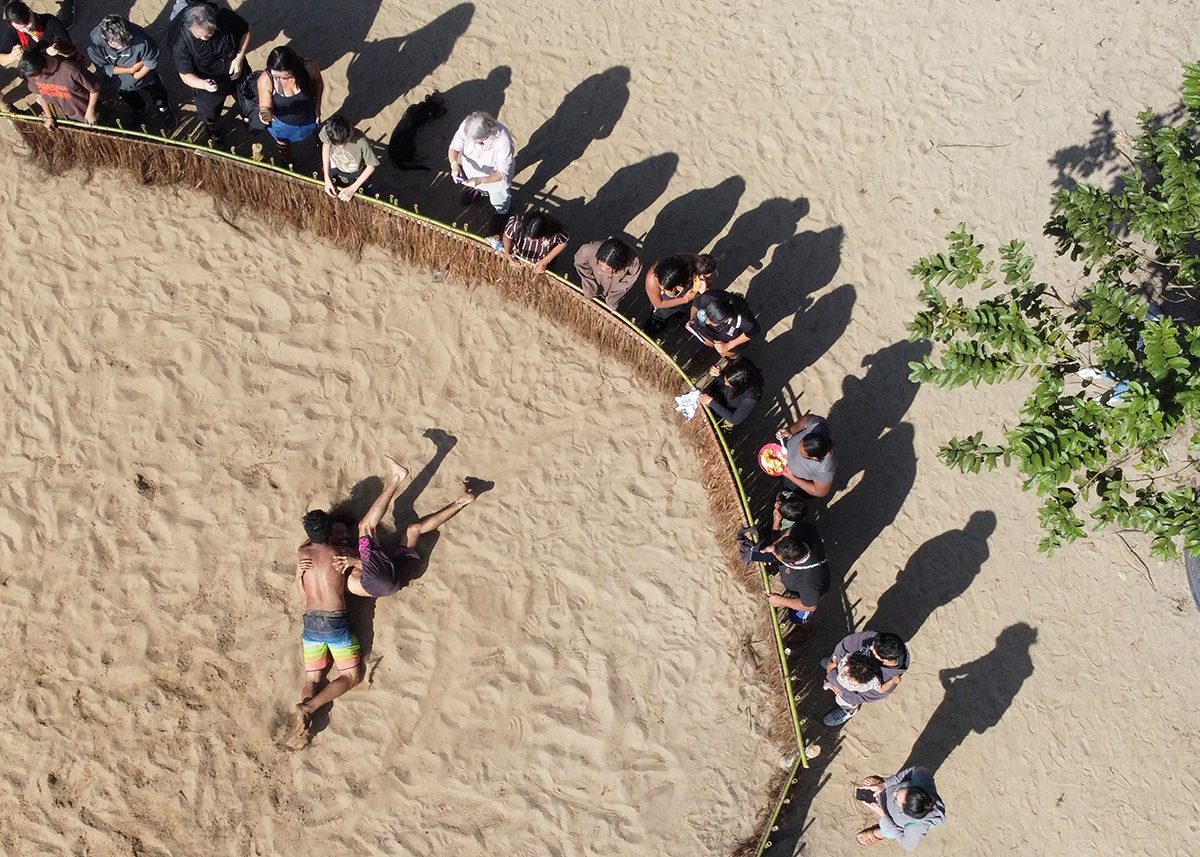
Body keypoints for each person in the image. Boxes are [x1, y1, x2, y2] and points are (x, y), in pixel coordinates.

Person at [334, 459, 479, 599]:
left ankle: (463, 500)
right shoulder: (341, 571)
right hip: (375, 582)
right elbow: (369, 569)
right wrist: (354, 561)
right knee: (365, 527)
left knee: (414, 530)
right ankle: (397, 476)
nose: (344, 535)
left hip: (395, 581)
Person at [285, 502, 366, 751]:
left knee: (313, 678)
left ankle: (302, 730)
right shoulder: (340, 554)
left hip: (311, 622)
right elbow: (370, 568)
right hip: (335, 622)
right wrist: (355, 559)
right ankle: (308, 708)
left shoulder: (302, 553)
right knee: (352, 676)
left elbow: (307, 546)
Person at [172, 1, 250, 144]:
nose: (203, 38)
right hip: (207, 83)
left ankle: (247, 115)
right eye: (199, 36)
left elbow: (245, 31)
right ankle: (213, 130)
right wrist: (203, 84)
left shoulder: (225, 17)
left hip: (237, 72)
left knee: (244, 97)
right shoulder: (182, 42)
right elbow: (185, 75)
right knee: (209, 113)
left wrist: (239, 57)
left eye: (207, 35)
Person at [86, 15, 175, 129]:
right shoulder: (94, 43)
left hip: (145, 76)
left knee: (157, 90)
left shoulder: (140, 37)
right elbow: (103, 67)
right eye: (117, 45)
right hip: (120, 82)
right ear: (104, 37)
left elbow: (151, 60)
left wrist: (138, 75)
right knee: (131, 99)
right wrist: (131, 70)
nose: (123, 46)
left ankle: (163, 107)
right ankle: (140, 109)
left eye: (125, 42)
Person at [749, 518, 830, 628]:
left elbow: (810, 606)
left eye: (777, 556)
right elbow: (789, 532)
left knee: (797, 618)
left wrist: (781, 601)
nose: (775, 554)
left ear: (790, 564)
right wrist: (775, 546)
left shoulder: (810, 582)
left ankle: (806, 626)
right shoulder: (804, 530)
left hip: (801, 594)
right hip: (796, 579)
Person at [821, 630, 910, 727]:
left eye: (874, 652)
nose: (870, 647)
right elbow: (845, 645)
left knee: (843, 700)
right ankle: (833, 665)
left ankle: (849, 710)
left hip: (847, 692)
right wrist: (836, 663)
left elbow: (858, 697)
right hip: (843, 669)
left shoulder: (886, 679)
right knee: (835, 659)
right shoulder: (871, 638)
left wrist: (833, 677)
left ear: (886, 660)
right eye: (873, 644)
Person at [448, 110, 515, 227]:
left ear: (488, 134)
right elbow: (454, 146)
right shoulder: (468, 127)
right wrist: (454, 164)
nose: (471, 142)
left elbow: (502, 173)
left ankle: (502, 212)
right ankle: (480, 192)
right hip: (472, 172)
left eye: (476, 141)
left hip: (494, 179)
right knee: (480, 187)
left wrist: (481, 180)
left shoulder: (503, 142)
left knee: (499, 198)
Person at [256, 45, 322, 160]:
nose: (280, 80)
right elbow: (265, 106)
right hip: (282, 123)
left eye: (285, 76)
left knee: (317, 131)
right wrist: (265, 114)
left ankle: (320, 145)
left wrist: (317, 107)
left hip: (308, 113)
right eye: (276, 76)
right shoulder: (267, 80)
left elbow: (318, 84)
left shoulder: (308, 68)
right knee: (283, 143)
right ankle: (287, 160)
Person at [854, 766, 946, 849]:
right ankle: (882, 787)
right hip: (897, 800)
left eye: (896, 798)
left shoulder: (916, 827)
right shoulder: (921, 781)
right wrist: (885, 784)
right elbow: (916, 769)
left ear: (905, 811)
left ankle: (881, 833)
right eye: (901, 790)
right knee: (890, 788)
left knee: (888, 830)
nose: (895, 793)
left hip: (894, 823)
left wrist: (883, 816)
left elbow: (908, 844)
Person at [18, 45, 99, 127]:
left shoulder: (70, 69)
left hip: (84, 116)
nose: (33, 79)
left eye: (35, 77)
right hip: (62, 119)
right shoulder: (32, 76)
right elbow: (40, 95)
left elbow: (95, 88)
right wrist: (49, 117)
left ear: (43, 69)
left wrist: (90, 111)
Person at [640, 253, 716, 335]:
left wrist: (703, 284)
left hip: (685, 296)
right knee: (658, 319)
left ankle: (678, 314)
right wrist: (685, 299)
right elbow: (659, 303)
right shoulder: (652, 280)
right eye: (662, 287)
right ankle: (649, 332)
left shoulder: (689, 262)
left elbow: (703, 268)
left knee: (680, 309)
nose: (662, 290)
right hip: (665, 306)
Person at [320, 114, 380, 202]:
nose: (341, 147)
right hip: (337, 168)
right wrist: (326, 176)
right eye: (337, 144)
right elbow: (326, 146)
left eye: (344, 142)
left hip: (357, 174)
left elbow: (371, 166)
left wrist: (352, 189)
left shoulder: (361, 142)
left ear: (349, 133)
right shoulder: (329, 131)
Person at [775, 412, 836, 498]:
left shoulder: (825, 469)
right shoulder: (817, 425)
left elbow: (820, 492)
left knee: (791, 490)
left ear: (814, 458)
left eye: (803, 454)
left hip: (796, 482)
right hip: (787, 468)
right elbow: (806, 420)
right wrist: (791, 431)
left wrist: (792, 478)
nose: (798, 451)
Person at [574, 237, 642, 309]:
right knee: (588, 292)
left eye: (608, 268)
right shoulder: (588, 250)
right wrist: (590, 285)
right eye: (600, 264)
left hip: (614, 283)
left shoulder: (634, 263)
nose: (603, 269)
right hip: (595, 277)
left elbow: (628, 282)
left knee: (611, 304)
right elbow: (580, 264)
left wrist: (612, 300)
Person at [688, 290, 761, 356]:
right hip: (711, 335)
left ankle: (731, 359)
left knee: (727, 353)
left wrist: (728, 345)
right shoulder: (708, 298)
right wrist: (693, 318)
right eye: (706, 313)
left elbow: (754, 331)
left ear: (726, 320)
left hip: (730, 339)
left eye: (711, 321)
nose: (705, 320)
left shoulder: (744, 321)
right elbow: (697, 303)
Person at [498, 209, 569, 274]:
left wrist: (545, 261)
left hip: (542, 262)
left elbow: (564, 242)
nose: (529, 240)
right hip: (519, 256)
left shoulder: (555, 232)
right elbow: (507, 236)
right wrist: (507, 253)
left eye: (535, 238)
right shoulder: (515, 224)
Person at [0, 2, 70, 66]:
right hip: (38, 70)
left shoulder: (49, 22)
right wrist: (12, 55)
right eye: (20, 28)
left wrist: (58, 50)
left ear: (30, 12)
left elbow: (70, 50)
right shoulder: (14, 32)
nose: (26, 30)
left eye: (26, 24)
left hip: (59, 64)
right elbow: (1, 60)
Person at [699, 357, 763, 426]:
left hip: (725, 408)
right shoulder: (739, 363)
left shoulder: (751, 398)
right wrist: (718, 374)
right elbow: (724, 382)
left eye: (729, 384)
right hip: (718, 393)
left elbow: (734, 419)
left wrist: (711, 402)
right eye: (726, 378)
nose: (725, 383)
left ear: (739, 387)